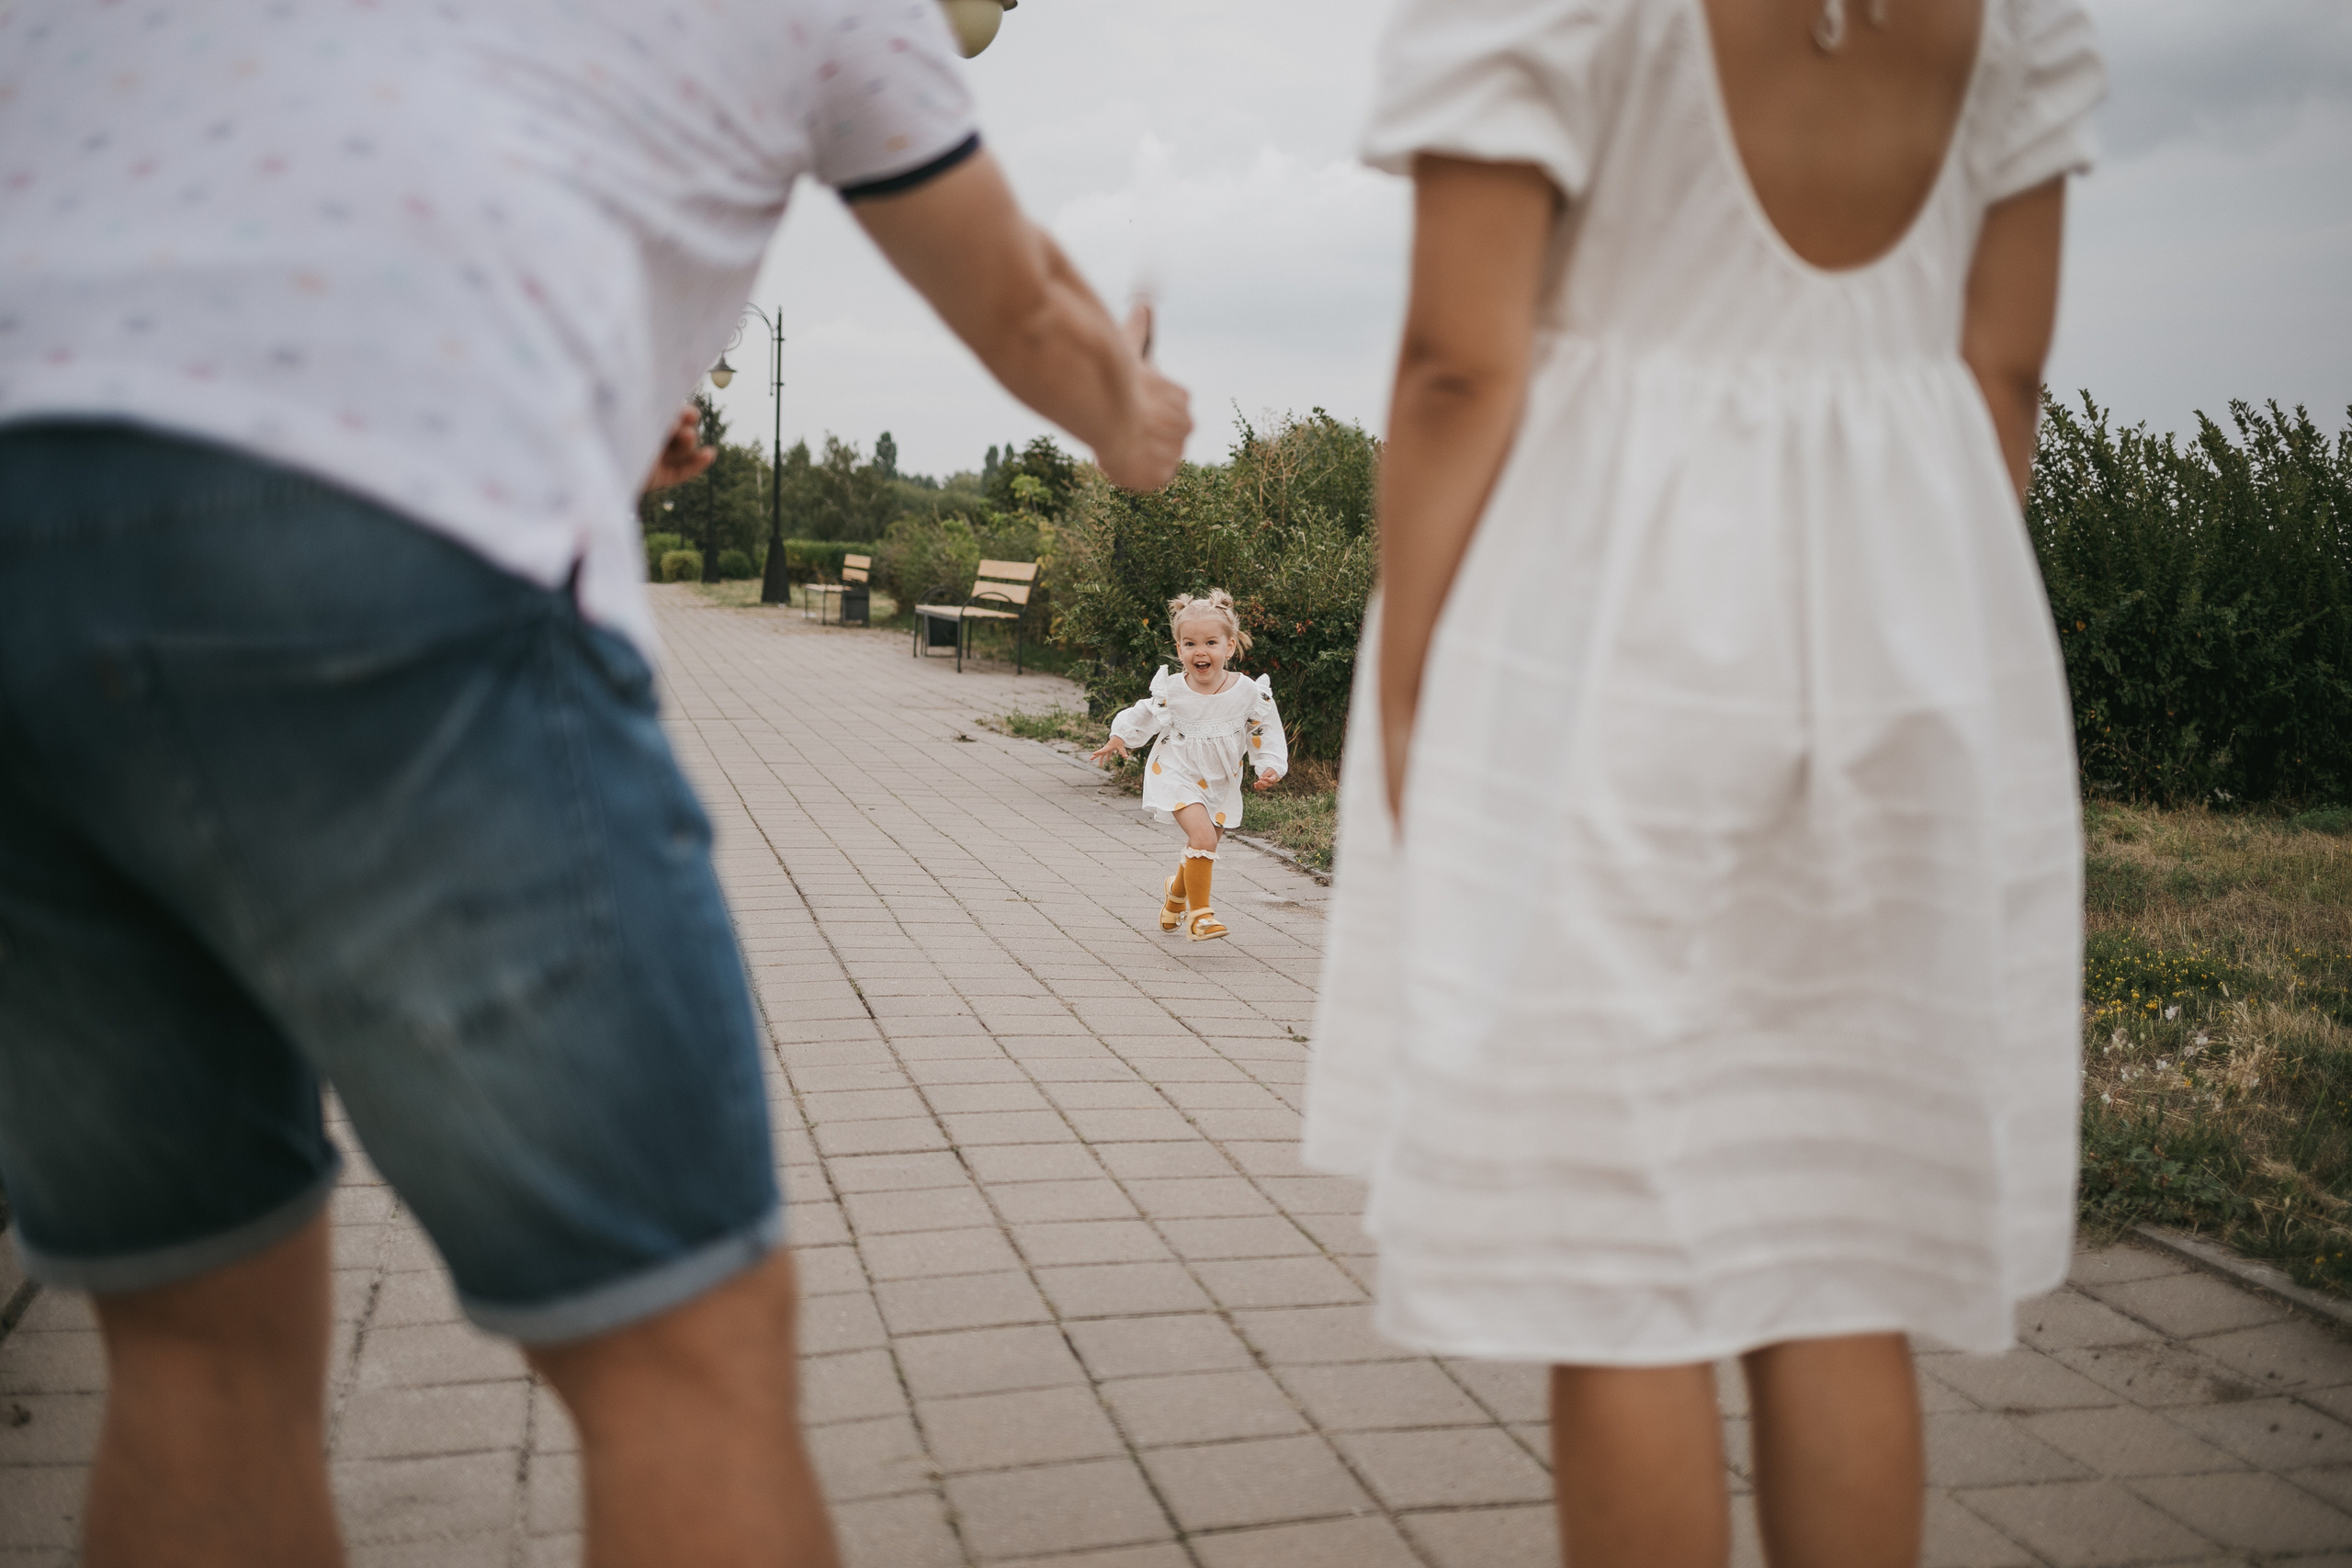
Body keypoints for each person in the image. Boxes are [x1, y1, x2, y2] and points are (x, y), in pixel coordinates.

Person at [0, 2, 1188, 1564]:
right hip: (384, 557)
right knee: (681, 1361)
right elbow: (1031, 309)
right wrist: (1139, 424)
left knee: (190, 1342)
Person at [1304, 0, 2102, 1562]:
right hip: (1902, 642)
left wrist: (1412, 692)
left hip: (1600, 642)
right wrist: (1895, 621)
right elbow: (2003, 370)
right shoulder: (2029, 16)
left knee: (1623, 1273)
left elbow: (1459, 364)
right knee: (1839, 1253)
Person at [1090, 591, 1290, 942]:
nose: (1201, 651)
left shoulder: (1247, 692)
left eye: (1211, 642)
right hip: (1175, 773)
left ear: (1229, 647)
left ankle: (1176, 894)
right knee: (1201, 838)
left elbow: (1263, 730)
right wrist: (1120, 736)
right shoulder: (1172, 690)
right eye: (1190, 643)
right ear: (1179, 648)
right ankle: (1201, 916)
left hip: (1221, 781)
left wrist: (1270, 765)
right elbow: (1145, 714)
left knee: (1206, 844)